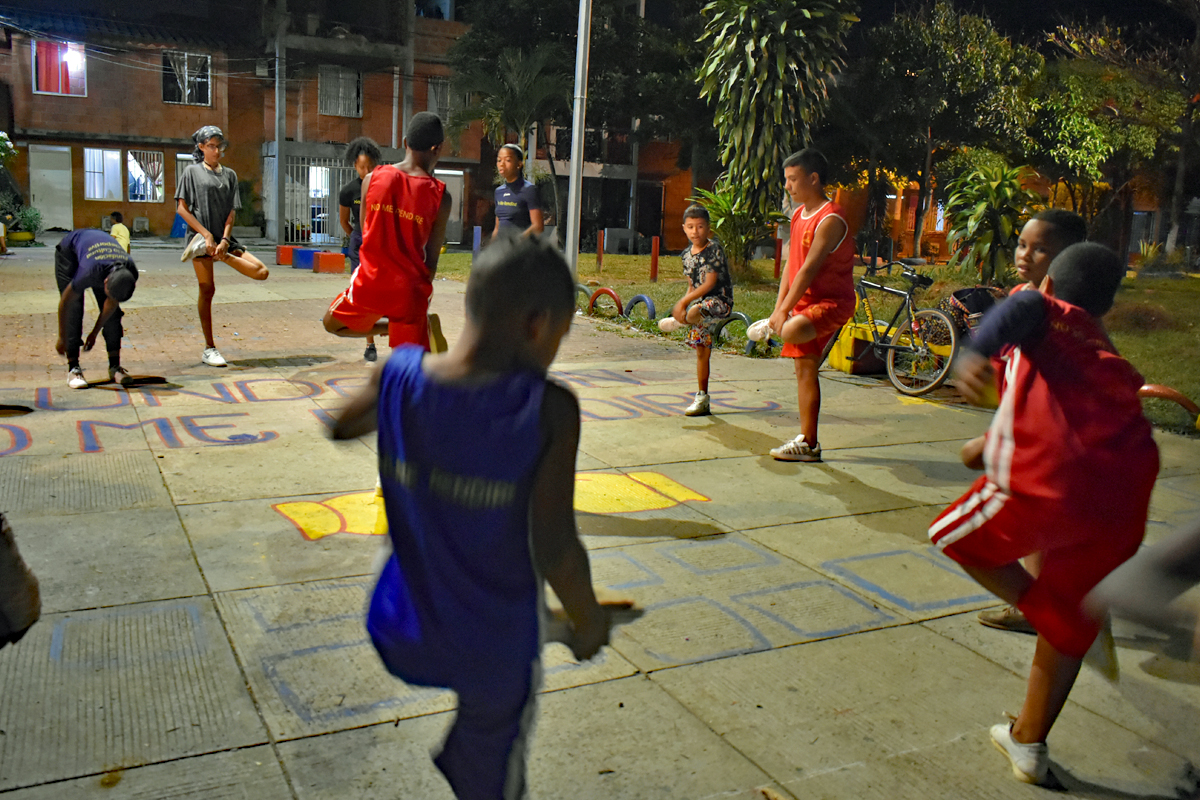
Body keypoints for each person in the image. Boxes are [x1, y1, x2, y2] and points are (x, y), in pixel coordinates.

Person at [331, 236, 633, 800]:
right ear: (538, 325)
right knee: (496, 745)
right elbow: (555, 548)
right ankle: (473, 766)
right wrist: (587, 620)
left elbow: (340, 426)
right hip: (491, 646)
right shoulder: (546, 411)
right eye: (561, 337)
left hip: (401, 628)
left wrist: (394, 390)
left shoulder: (399, 376)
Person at [931, 242, 1158, 785]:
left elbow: (1021, 309)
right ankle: (1028, 744)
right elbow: (1054, 409)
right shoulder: (1102, 349)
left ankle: (1053, 617)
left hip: (1058, 480)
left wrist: (971, 352)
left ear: (1050, 286)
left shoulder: (1044, 311)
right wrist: (985, 444)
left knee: (951, 535)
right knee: (1071, 612)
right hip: (1125, 493)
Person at [966, 208, 1088, 635]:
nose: (1025, 254)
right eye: (1021, 244)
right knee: (1039, 528)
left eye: (1040, 249)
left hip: (1044, 438)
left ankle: (1042, 605)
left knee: (986, 532)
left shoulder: (1060, 311)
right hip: (1025, 428)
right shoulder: (1026, 294)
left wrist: (975, 355)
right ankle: (1041, 600)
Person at [746, 149, 855, 462]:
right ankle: (809, 443)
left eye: (792, 179)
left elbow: (809, 268)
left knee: (792, 330)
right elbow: (790, 268)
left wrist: (783, 315)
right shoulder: (797, 215)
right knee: (804, 370)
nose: (788, 186)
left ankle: (808, 441)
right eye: (786, 180)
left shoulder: (831, 218)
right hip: (802, 303)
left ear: (813, 179)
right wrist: (777, 308)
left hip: (832, 302)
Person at [324, 112, 452, 352]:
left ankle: (387, 328)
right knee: (409, 368)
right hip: (410, 291)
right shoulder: (440, 196)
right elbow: (431, 259)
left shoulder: (371, 179)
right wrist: (418, 303)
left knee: (333, 324)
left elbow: (364, 232)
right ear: (438, 148)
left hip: (371, 283)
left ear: (405, 142)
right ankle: (412, 326)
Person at [176, 125, 270, 368]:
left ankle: (224, 256)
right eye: (211, 146)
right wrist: (206, 235)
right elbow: (182, 209)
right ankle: (209, 348)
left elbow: (231, 212)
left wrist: (225, 242)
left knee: (262, 271)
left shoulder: (230, 175)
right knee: (207, 289)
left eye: (219, 146)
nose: (216, 151)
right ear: (201, 147)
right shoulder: (191, 172)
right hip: (200, 239)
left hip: (224, 239)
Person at [657, 204, 734, 416]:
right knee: (702, 350)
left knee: (693, 311)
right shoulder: (686, 256)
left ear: (708, 228)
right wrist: (684, 301)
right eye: (690, 227)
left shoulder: (714, 249)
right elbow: (692, 286)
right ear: (684, 228)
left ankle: (682, 322)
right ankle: (702, 397)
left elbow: (709, 284)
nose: (695, 231)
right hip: (700, 308)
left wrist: (683, 306)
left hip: (719, 301)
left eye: (700, 226)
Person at [54, 228, 139, 388]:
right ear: (105, 282)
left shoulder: (130, 270)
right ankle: (73, 368)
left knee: (114, 316)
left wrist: (94, 333)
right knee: (74, 309)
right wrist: (62, 336)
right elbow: (66, 302)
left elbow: (111, 304)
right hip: (69, 254)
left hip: (100, 256)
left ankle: (115, 366)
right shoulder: (89, 271)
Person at [338, 137, 383, 362]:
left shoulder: (384, 187)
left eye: (370, 166)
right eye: (361, 167)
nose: (366, 171)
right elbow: (344, 222)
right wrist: (357, 238)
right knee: (362, 295)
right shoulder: (349, 191)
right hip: (359, 242)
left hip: (381, 243)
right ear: (355, 165)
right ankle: (370, 344)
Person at [491, 144, 543, 240]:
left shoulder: (529, 190)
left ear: (519, 164)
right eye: (499, 160)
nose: (501, 164)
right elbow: (497, 228)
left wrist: (517, 242)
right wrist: (491, 250)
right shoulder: (498, 192)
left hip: (522, 251)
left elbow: (538, 226)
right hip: (503, 251)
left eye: (508, 160)